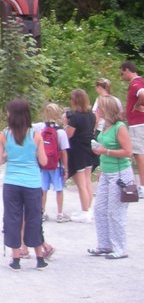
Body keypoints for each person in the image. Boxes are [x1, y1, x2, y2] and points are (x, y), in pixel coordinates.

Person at [0, 98, 49, 270]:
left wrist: (10, 156)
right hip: (32, 182)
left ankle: (16, 258)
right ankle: (39, 258)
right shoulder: (35, 135)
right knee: (34, 218)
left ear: (12, 115)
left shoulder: (4, 135)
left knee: (12, 218)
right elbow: (44, 162)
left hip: (12, 182)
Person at [89, 94, 132, 259]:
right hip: (107, 171)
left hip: (119, 173)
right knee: (100, 209)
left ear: (105, 109)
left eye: (99, 108)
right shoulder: (103, 125)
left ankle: (120, 248)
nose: (96, 110)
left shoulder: (119, 127)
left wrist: (106, 151)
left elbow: (128, 151)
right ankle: (104, 244)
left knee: (115, 211)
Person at [65, 88, 97, 221]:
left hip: (77, 151)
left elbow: (69, 135)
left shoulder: (74, 118)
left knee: (81, 184)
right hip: (88, 148)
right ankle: (88, 209)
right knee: (87, 181)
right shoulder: (91, 115)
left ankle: (85, 212)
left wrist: (65, 125)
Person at [34, 103, 70, 223]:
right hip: (57, 164)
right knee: (59, 189)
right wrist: (66, 168)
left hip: (43, 164)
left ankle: (42, 212)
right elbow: (64, 152)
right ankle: (60, 214)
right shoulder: (61, 132)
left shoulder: (40, 128)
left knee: (43, 189)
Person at [119, 60, 144, 194]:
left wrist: (137, 105)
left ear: (127, 70)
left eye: (122, 73)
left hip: (138, 123)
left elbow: (142, 95)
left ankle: (142, 187)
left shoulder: (135, 83)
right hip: (139, 122)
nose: (121, 76)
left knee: (139, 155)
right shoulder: (141, 81)